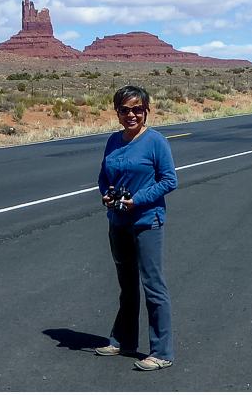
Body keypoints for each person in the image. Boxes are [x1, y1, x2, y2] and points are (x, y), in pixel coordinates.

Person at [94, 85, 177, 371]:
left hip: (146, 221)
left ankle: (162, 351)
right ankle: (123, 340)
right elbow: (103, 176)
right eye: (125, 110)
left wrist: (137, 200)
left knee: (153, 286)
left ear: (146, 111)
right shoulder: (113, 141)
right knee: (126, 285)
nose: (131, 115)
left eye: (137, 109)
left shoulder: (155, 142)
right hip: (117, 221)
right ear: (117, 112)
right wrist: (106, 194)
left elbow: (169, 180)